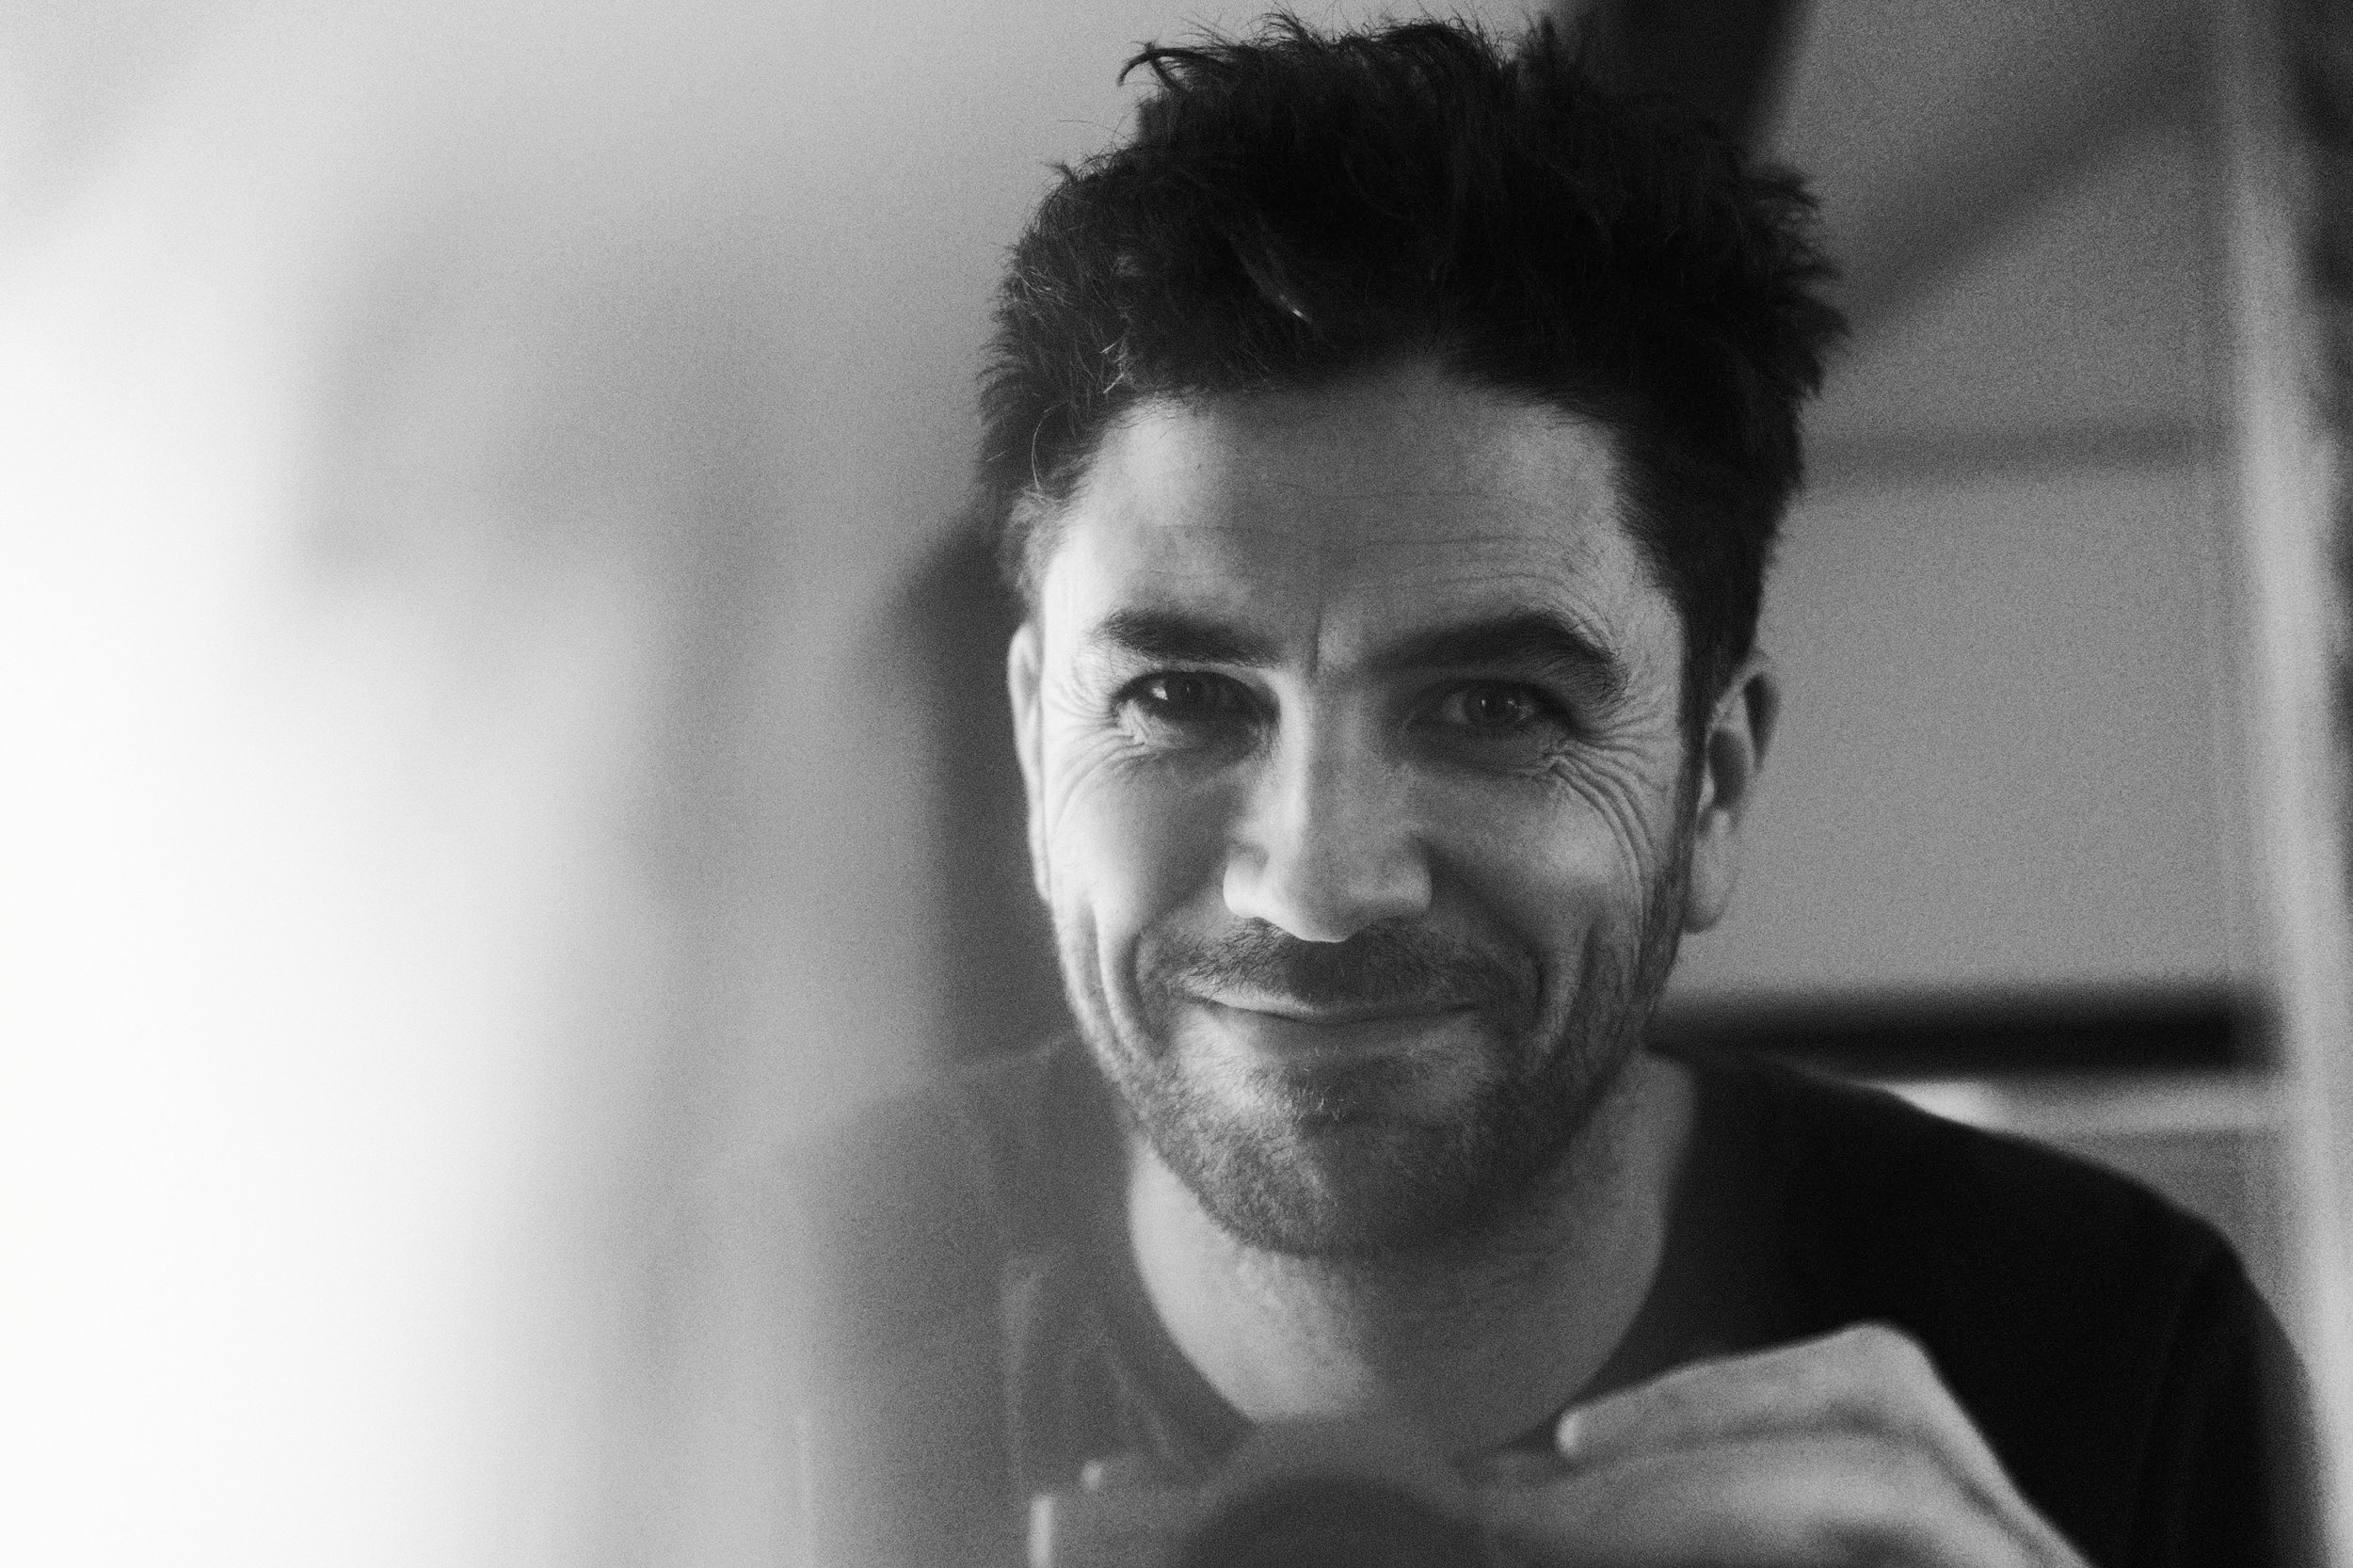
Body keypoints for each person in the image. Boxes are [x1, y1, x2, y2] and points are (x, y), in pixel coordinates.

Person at [792, 17, 2310, 1567]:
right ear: (1046, 755)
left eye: (1495, 707)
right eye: (1178, 698)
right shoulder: (760, 1345)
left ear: (1710, 788)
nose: (1315, 881)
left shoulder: (2114, 1370)